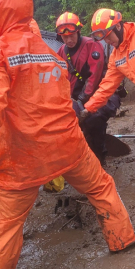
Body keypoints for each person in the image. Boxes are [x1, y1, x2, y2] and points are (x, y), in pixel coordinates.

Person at [0, 0, 135, 269]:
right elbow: (65, 96)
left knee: (7, 224)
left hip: (24, 155)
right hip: (69, 145)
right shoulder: (51, 53)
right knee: (102, 188)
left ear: (3, 13)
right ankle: (123, 241)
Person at [79, 8, 135, 169]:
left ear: (117, 27)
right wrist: (87, 110)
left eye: (108, 36)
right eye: (103, 39)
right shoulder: (116, 57)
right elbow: (107, 86)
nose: (107, 42)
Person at [55, 12, 121, 163]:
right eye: (65, 37)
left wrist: (81, 102)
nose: (68, 39)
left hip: (104, 95)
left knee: (93, 119)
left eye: (71, 35)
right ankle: (81, 154)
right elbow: (60, 78)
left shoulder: (92, 45)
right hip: (78, 99)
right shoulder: (61, 52)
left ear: (78, 32)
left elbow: (94, 77)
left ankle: (100, 156)